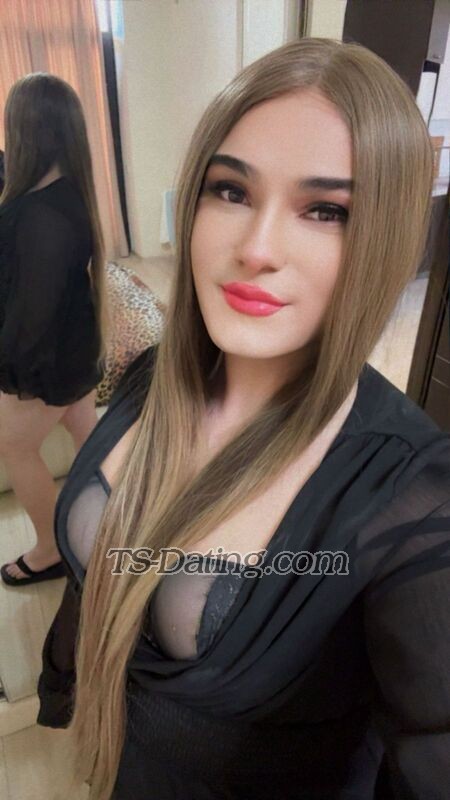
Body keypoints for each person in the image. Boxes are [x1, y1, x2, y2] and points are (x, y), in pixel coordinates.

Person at [37, 38, 449, 799]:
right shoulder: (150, 380)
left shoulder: (412, 498)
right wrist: (62, 687)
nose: (256, 249)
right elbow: (93, 587)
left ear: (384, 238)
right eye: (231, 191)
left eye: (326, 210)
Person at [0, 73, 109, 585]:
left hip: (49, 360)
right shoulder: (64, 194)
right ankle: (114, 522)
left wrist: (9, 375)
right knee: (88, 436)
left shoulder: (40, 216)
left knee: (14, 446)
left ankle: (49, 551)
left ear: (23, 130)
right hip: (73, 347)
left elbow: (31, 320)